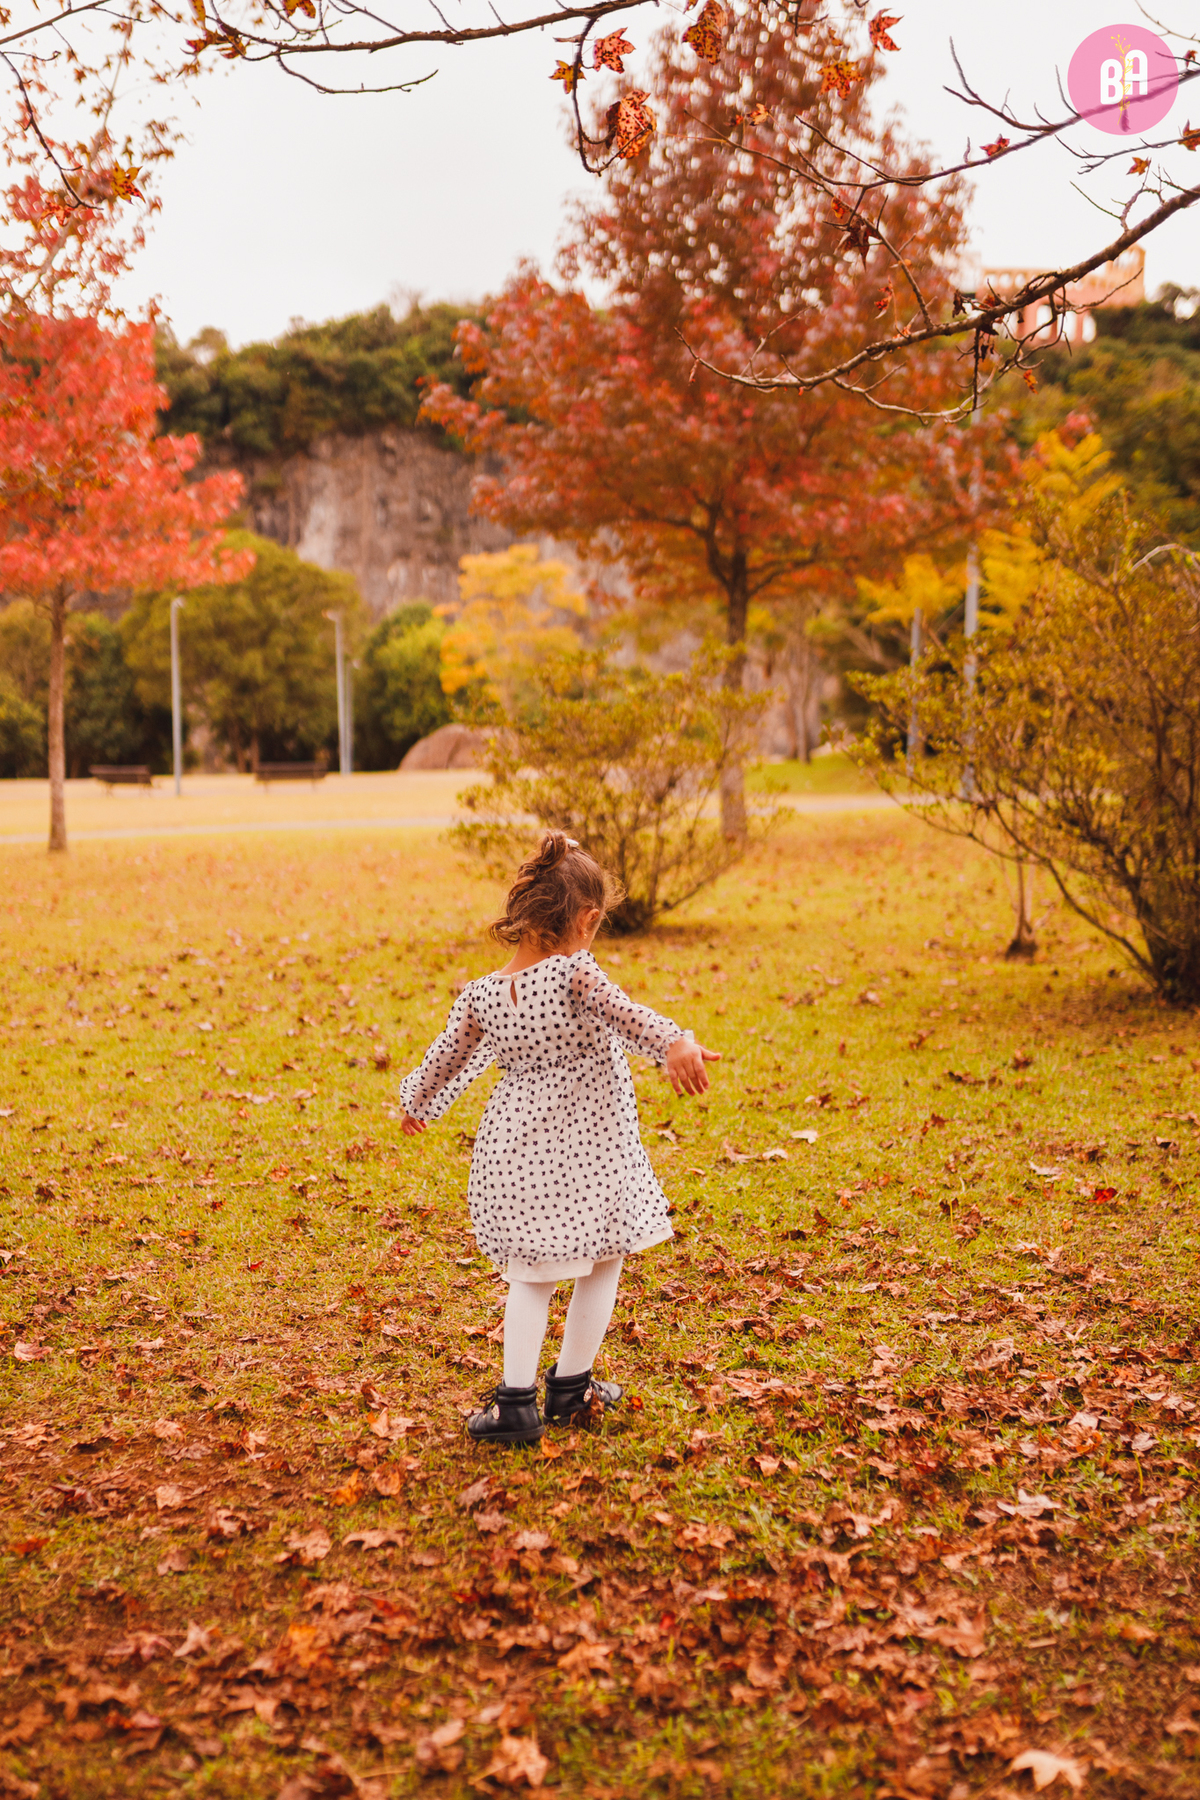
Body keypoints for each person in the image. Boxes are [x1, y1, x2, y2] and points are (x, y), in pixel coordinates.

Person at [397, 831, 720, 1446]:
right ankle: (563, 1388)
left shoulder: (482, 995)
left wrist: (417, 1103)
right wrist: (675, 1041)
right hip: (592, 1145)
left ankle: (526, 1399)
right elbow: (626, 1014)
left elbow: (444, 1060)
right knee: (604, 1255)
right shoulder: (576, 972)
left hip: (517, 1150)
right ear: (588, 919)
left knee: (533, 1273)